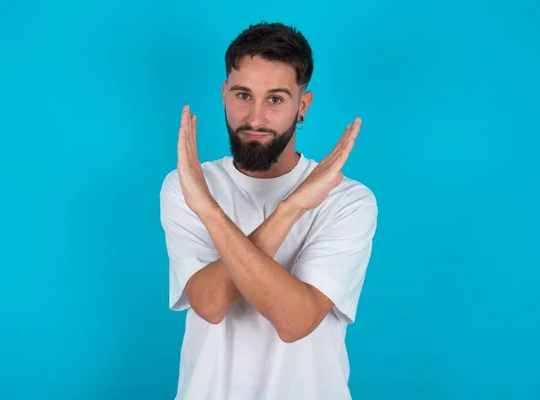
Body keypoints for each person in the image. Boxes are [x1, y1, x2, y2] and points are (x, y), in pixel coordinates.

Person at [159, 21, 378, 400]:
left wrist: (290, 205)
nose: (256, 118)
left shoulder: (348, 200)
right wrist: (213, 208)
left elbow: (295, 320)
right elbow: (210, 305)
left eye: (275, 99)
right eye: (243, 95)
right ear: (224, 94)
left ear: (302, 106)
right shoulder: (189, 184)